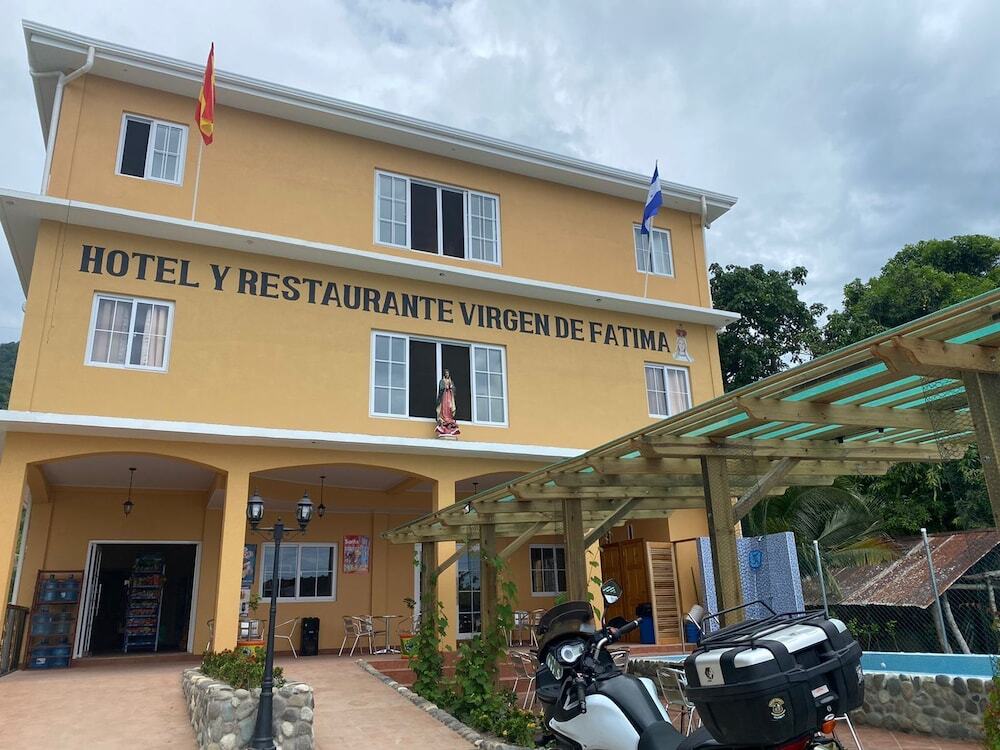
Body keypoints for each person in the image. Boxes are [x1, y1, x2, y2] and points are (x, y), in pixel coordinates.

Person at [435, 369, 461, 437]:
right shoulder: (442, 381)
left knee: (450, 406)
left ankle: (449, 418)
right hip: (444, 397)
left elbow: (454, 390)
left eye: (448, 373)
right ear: (444, 374)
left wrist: (451, 388)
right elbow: (440, 388)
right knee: (444, 407)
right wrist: (444, 387)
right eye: (446, 373)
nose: (447, 374)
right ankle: (443, 418)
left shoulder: (450, 381)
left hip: (449, 396)